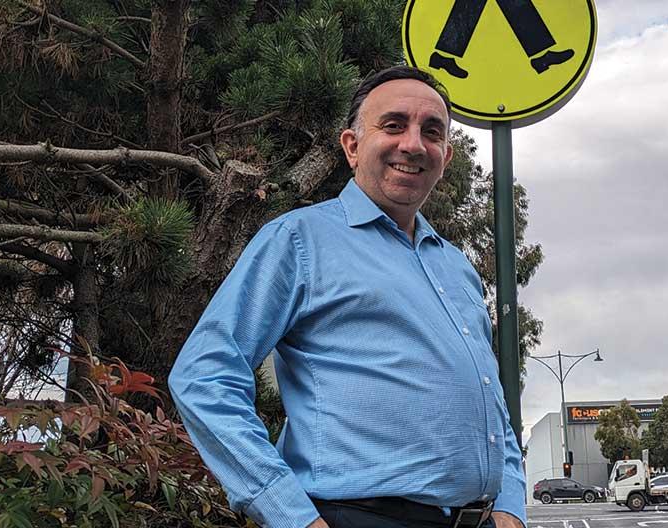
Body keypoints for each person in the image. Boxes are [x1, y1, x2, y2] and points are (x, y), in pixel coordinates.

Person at [169, 65, 526, 528]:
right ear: (352, 147)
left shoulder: (456, 267)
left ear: (446, 156)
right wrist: (291, 515)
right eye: (393, 125)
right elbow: (203, 377)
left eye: (431, 132)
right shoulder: (298, 240)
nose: (413, 144)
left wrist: (511, 506)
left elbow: (489, 400)